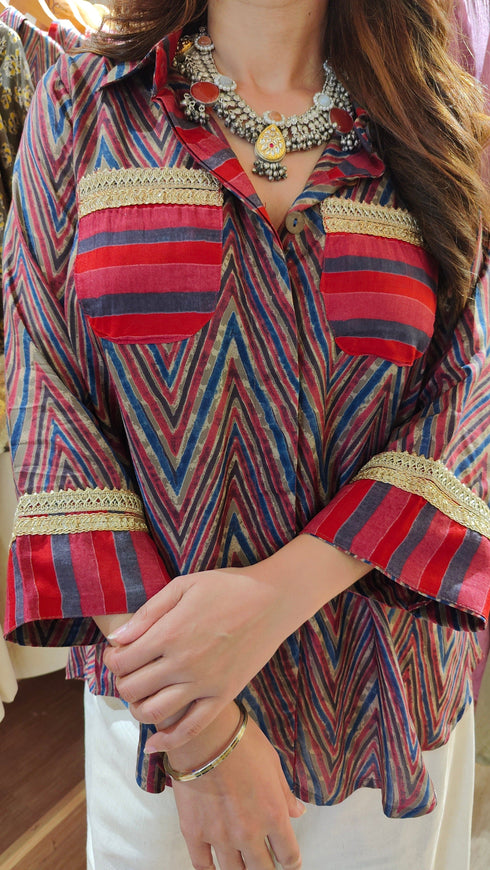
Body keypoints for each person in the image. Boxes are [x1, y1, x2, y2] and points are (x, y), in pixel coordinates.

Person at [2, 1, 490, 868]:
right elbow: (46, 396)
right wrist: (200, 733)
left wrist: (273, 600)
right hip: (161, 729)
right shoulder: (84, 105)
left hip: (384, 707)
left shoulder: (439, 122)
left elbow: (470, 397)